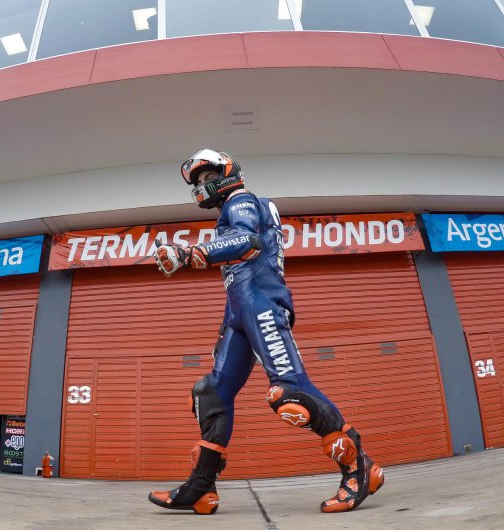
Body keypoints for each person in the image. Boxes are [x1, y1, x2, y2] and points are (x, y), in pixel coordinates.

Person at [148, 149, 384, 514]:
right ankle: (200, 488)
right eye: (197, 182)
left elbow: (248, 241)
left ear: (227, 174)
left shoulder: (241, 201)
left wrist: (192, 252)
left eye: (208, 177)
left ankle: (359, 468)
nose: (201, 186)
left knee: (290, 394)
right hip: (239, 311)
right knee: (212, 394)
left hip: (261, 304)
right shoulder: (231, 208)